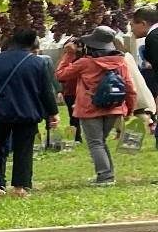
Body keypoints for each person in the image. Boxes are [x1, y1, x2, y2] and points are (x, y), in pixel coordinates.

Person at [0, 30, 59, 198]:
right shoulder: (38, 63)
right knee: (24, 149)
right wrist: (53, 113)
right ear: (31, 44)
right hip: (27, 112)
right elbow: (46, 92)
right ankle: (20, 187)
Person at [56, 26, 136, 185]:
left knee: (95, 143)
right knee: (100, 141)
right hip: (114, 107)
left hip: (89, 108)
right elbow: (129, 87)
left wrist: (70, 53)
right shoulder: (120, 62)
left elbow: (60, 75)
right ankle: (108, 174)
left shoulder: (85, 62)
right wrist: (129, 110)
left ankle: (105, 177)